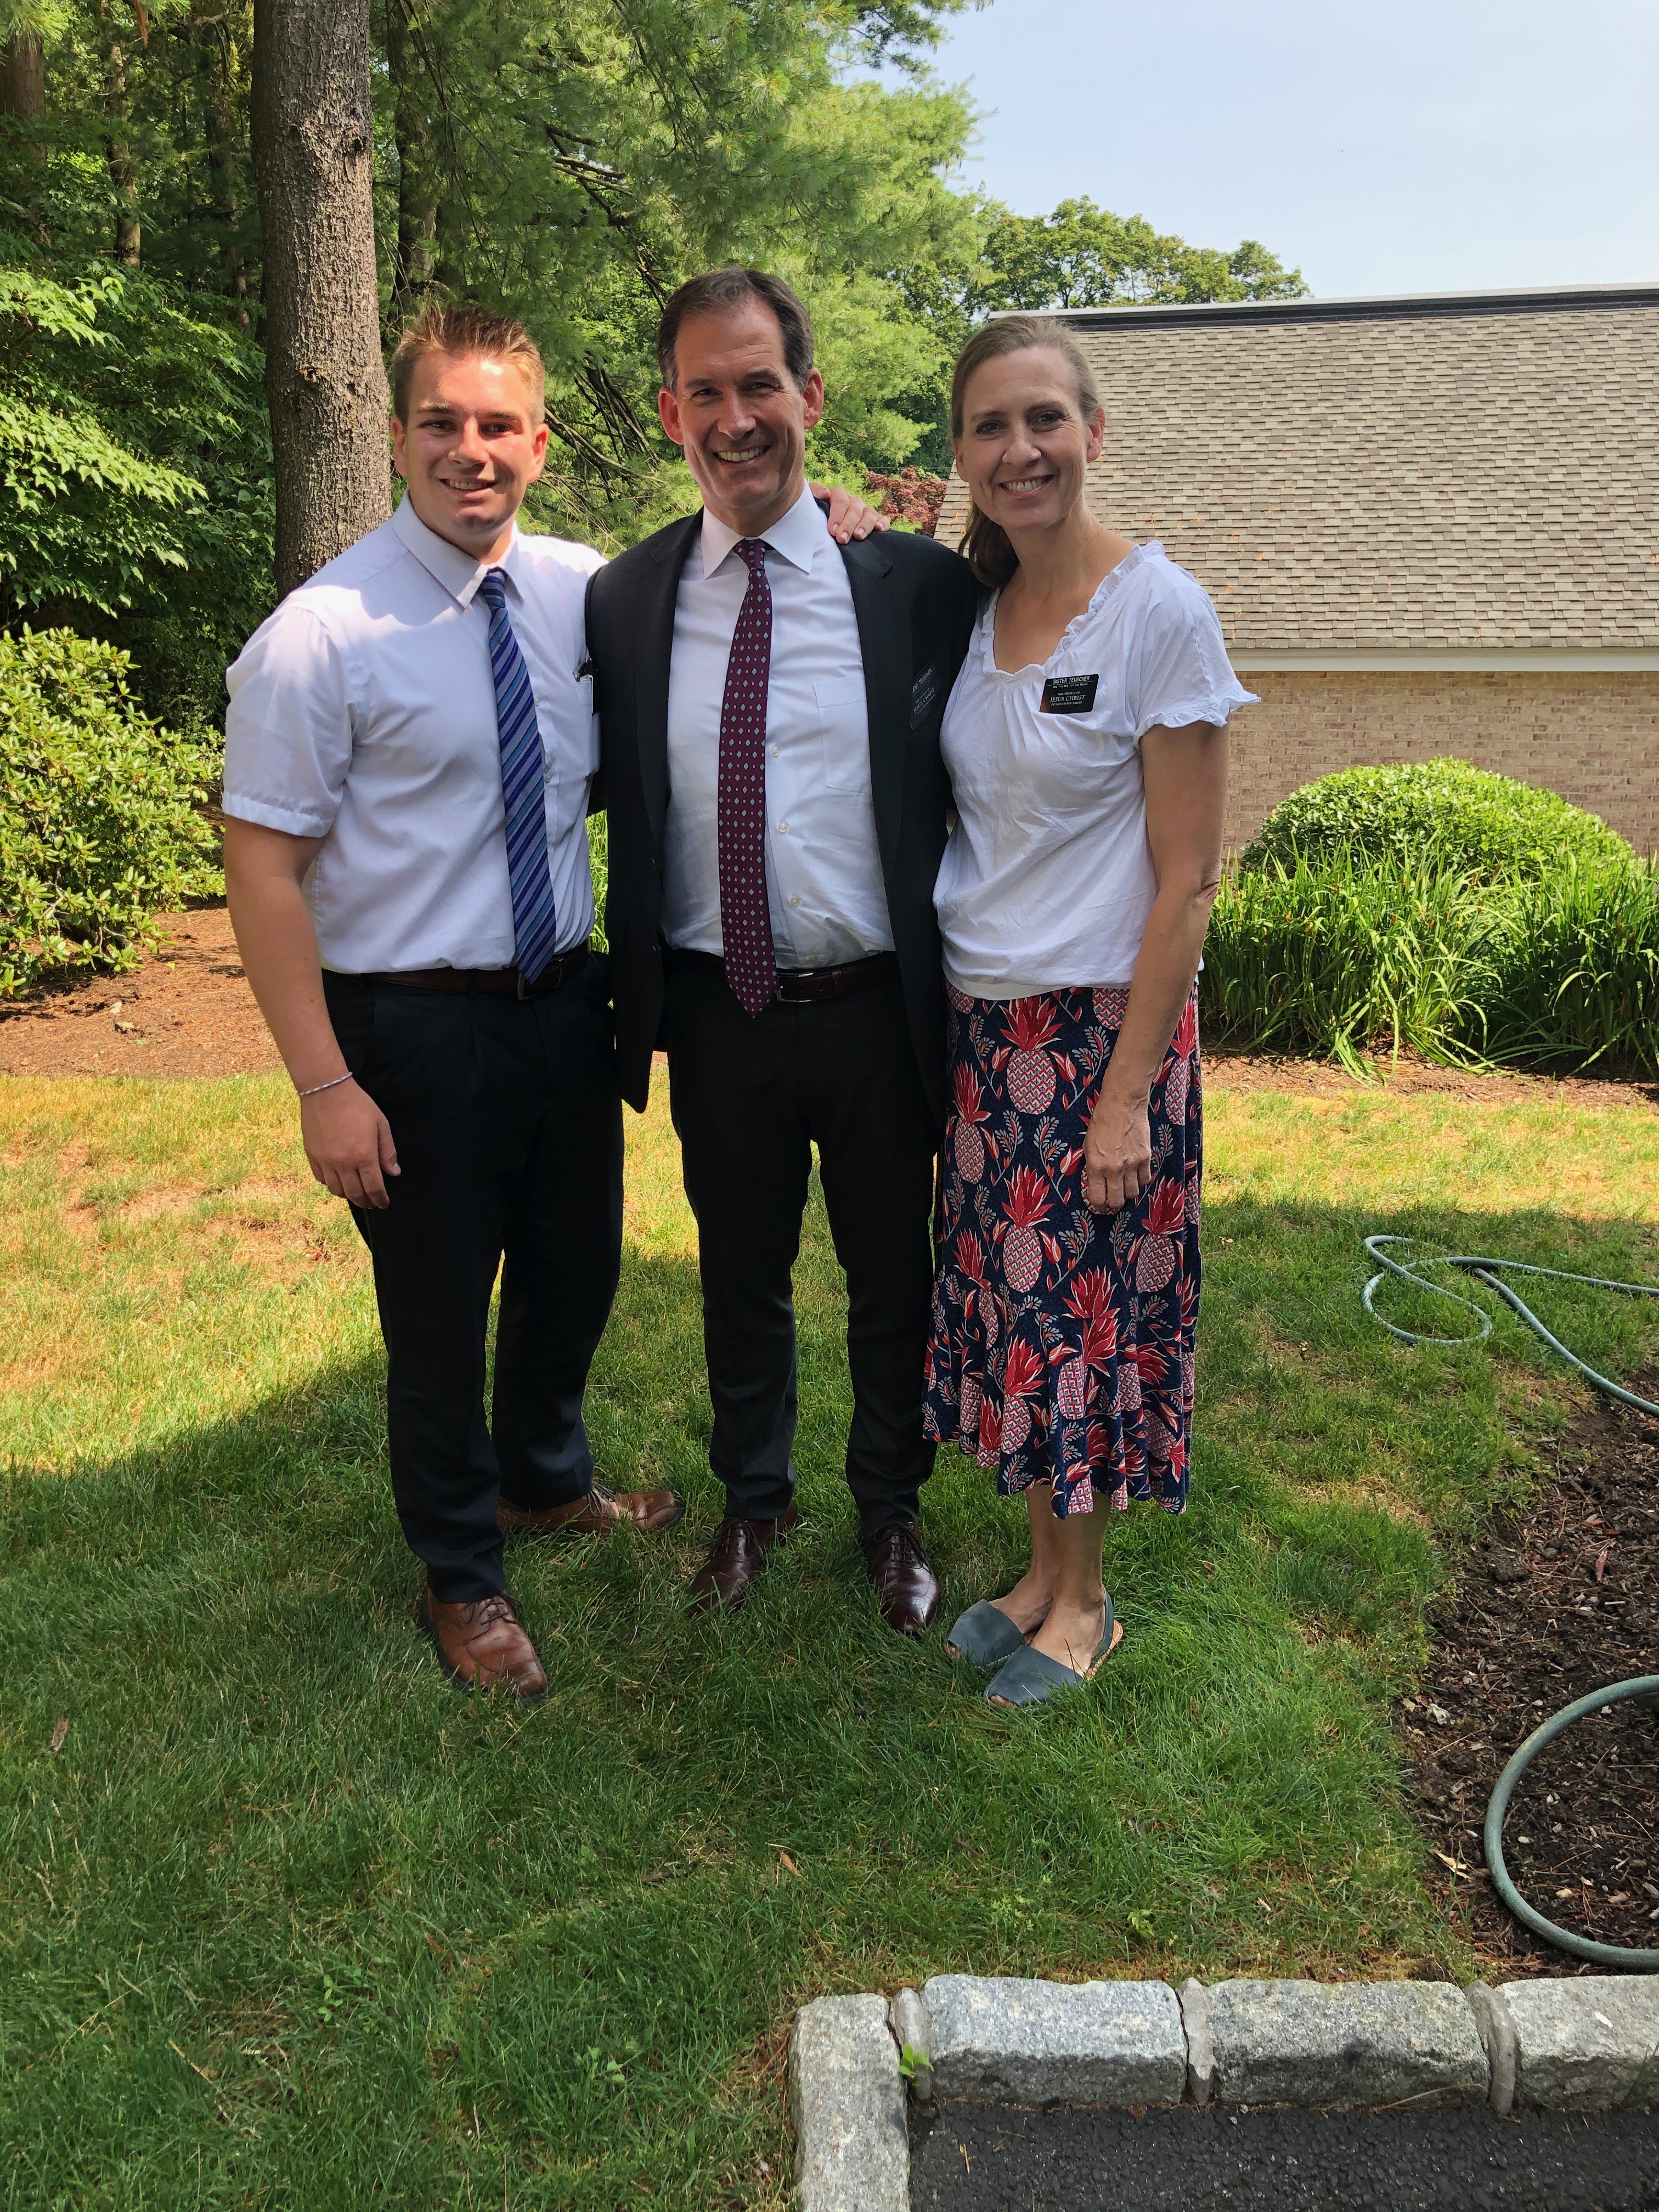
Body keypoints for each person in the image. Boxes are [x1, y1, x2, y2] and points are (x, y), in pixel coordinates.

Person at [222, 304, 881, 1701]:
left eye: (498, 425)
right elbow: (263, 870)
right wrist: (325, 1084)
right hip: (411, 1025)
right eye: (441, 423)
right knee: (438, 1315)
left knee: (572, 1277)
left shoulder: (584, 592)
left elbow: (721, 568)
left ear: (540, 440)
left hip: (568, 1010)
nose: (470, 451)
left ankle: (541, 1479)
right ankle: (462, 1574)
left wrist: (826, 518)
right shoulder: (321, 634)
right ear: (396, 436)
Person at [586, 268, 981, 1633]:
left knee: (892, 1273)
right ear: (669, 413)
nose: (736, 417)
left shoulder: (915, 587)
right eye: (706, 391)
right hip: (719, 1009)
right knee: (739, 1276)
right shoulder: (625, 599)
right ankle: (754, 1503)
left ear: (810, 397)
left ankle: (891, 1508)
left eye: (761, 385)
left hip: (878, 1003)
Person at [923, 314, 1255, 1707]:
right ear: (962, 453)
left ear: (1094, 433)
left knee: (1088, 1322)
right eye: (991, 426)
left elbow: (1188, 881)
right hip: (985, 1034)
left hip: (1099, 1039)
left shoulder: (1156, 613)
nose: (1022, 449)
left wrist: (1125, 1097)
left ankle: (1089, 1606)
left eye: (1045, 418)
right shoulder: (976, 610)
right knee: (1020, 1314)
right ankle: (1037, 1574)